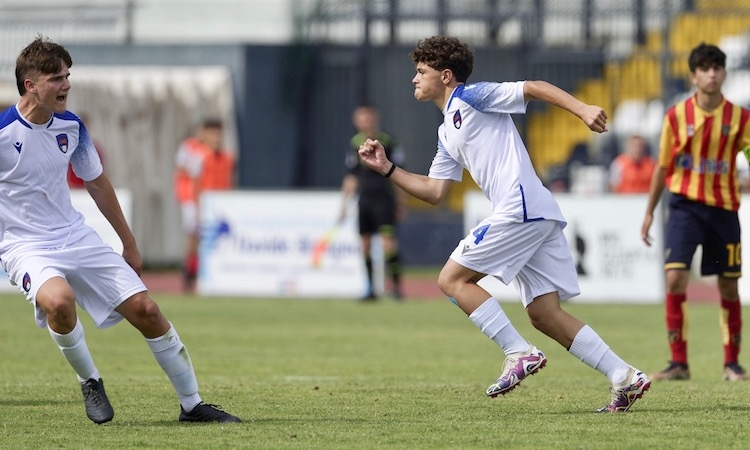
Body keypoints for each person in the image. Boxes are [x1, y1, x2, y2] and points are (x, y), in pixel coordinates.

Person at [357, 35, 650, 412]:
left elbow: (533, 87)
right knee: (544, 314)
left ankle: (518, 352)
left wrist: (582, 108)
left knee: (451, 279)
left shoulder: (472, 97)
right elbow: (433, 191)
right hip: (537, 213)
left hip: (520, 208)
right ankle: (623, 376)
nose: (414, 79)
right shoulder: (447, 130)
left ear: (445, 76)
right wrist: (387, 169)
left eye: (421, 72)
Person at [0, 35, 241, 424]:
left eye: (68, 76)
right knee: (59, 302)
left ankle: (192, 405)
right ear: (31, 85)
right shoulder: (3, 132)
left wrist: (129, 244)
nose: (67, 85)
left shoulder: (72, 127)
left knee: (147, 310)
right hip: (25, 246)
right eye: (57, 78)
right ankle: (90, 380)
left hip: (75, 236)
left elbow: (97, 183)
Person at [641, 43, 750, 382]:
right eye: (705, 68)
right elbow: (662, 166)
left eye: (717, 68)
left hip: (723, 210)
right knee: (674, 277)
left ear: (724, 73)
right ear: (693, 75)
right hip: (684, 207)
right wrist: (648, 212)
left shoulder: (740, 118)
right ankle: (679, 363)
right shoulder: (676, 116)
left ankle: (732, 364)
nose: (712, 74)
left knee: (729, 287)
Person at [339, 104, 406, 300]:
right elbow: (351, 177)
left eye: (368, 116)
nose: (365, 120)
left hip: (384, 199)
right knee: (365, 244)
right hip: (365, 200)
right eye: (361, 116)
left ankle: (396, 288)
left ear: (375, 117)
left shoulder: (388, 141)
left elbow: (399, 173)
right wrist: (344, 204)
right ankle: (370, 289)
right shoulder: (355, 143)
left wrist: (400, 203)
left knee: (388, 243)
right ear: (355, 119)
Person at [173, 118, 235, 293]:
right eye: (212, 133)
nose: (216, 137)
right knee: (195, 236)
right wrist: (197, 204)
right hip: (197, 201)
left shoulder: (226, 157)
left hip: (217, 203)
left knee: (211, 238)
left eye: (218, 133)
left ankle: (204, 272)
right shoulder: (196, 152)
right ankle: (190, 271)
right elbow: (193, 180)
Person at [67, 113, 105, 189]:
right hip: (74, 191)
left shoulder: (96, 150)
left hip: (90, 190)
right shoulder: (68, 149)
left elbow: (100, 174)